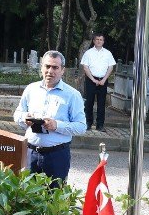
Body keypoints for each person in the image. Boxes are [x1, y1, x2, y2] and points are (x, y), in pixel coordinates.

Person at [13, 50, 86, 186]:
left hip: (57, 156)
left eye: (55, 67)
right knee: (26, 200)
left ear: (62, 70)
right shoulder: (31, 89)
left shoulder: (72, 95)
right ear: (41, 67)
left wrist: (57, 125)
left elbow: (81, 126)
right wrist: (24, 118)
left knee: (54, 201)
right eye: (47, 66)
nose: (50, 71)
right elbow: (17, 113)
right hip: (30, 153)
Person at [80, 33, 116, 131]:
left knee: (101, 103)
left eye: (101, 39)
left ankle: (100, 125)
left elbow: (111, 67)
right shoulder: (88, 53)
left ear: (103, 41)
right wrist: (93, 79)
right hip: (91, 80)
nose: (99, 41)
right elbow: (85, 67)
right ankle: (88, 123)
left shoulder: (108, 53)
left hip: (103, 81)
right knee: (89, 102)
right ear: (93, 41)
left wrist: (104, 80)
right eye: (97, 39)